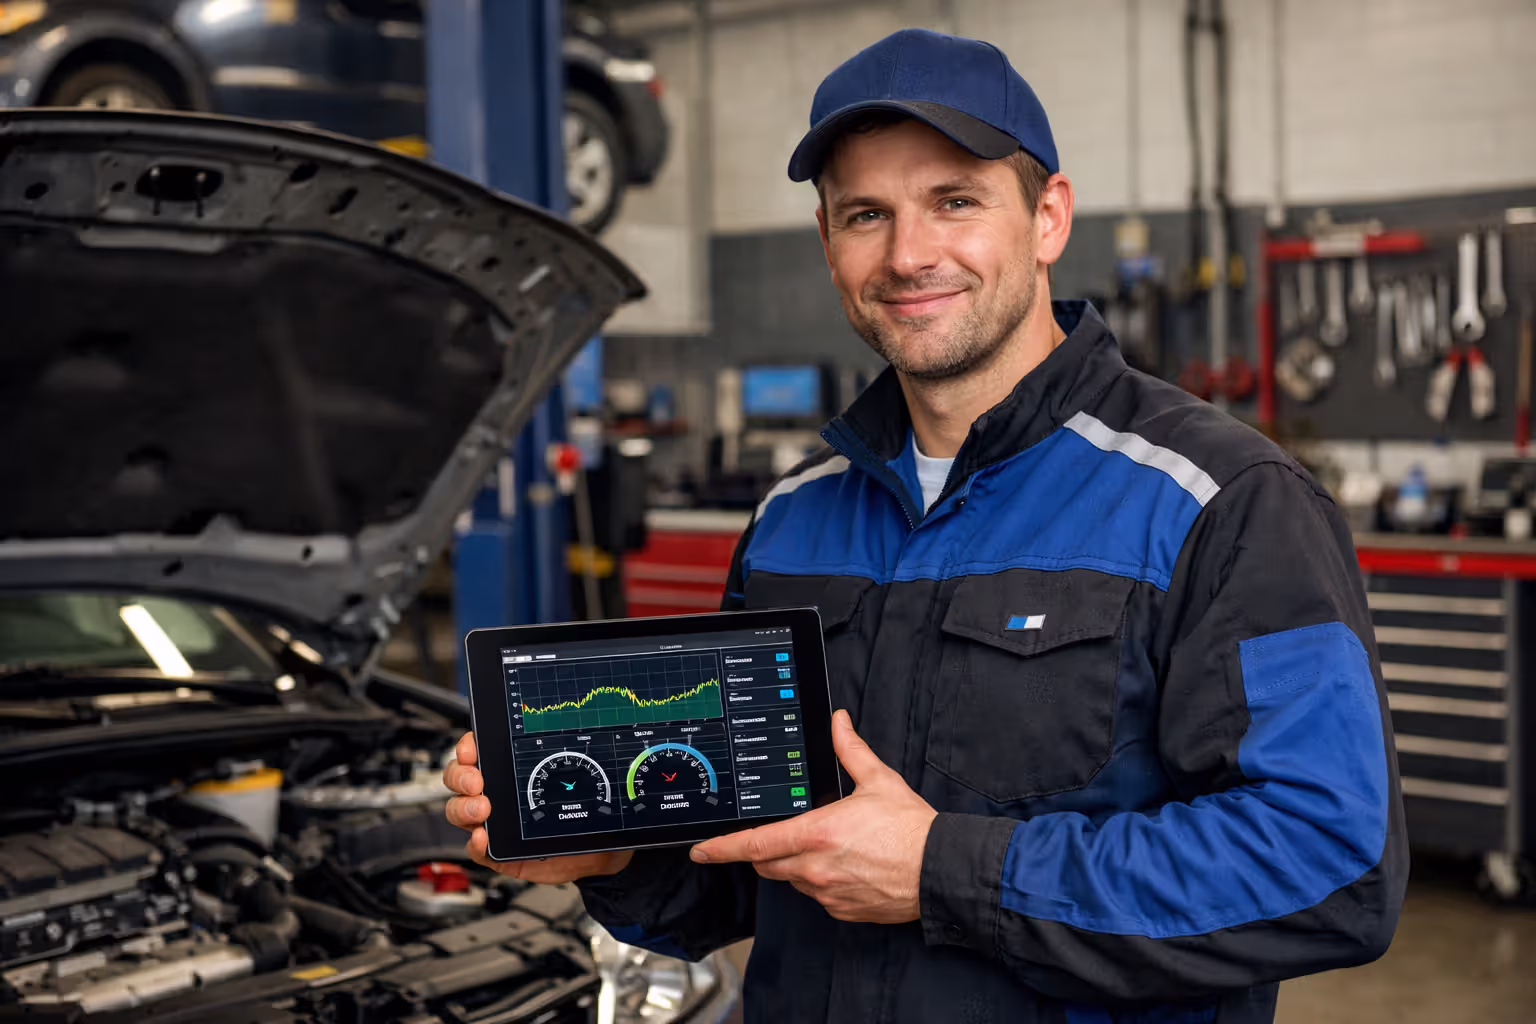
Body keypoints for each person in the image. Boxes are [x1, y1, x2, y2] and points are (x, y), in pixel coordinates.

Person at [445, 27, 1405, 1023]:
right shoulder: (792, 516)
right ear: (828, 244)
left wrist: (943, 870)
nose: (908, 255)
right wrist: (614, 852)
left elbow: (1331, 865)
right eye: (867, 213)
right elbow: (755, 865)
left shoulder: (1224, 500)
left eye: (955, 200)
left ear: (1047, 217)